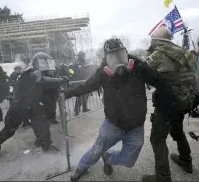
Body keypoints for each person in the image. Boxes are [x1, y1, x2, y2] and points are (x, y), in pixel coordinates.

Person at [64, 38, 175, 182]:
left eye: (119, 54)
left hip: (136, 126)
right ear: (106, 57)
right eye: (112, 56)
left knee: (129, 161)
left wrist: (169, 96)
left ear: (126, 52)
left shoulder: (138, 67)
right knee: (96, 150)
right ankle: (81, 168)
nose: (117, 60)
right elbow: (86, 86)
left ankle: (108, 157)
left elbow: (158, 80)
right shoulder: (103, 72)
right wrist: (67, 93)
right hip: (113, 124)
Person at [141, 26, 199, 182]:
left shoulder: (159, 53)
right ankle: (186, 162)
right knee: (177, 130)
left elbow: (144, 71)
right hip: (185, 100)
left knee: (157, 139)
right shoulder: (182, 52)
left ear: (157, 40)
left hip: (168, 102)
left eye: (153, 38)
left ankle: (163, 178)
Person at [0, 52, 69, 158]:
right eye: (43, 63)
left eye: (48, 63)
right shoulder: (31, 73)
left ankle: (45, 145)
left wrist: (61, 88)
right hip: (19, 107)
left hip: (32, 106)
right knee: (9, 130)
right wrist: (61, 80)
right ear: (36, 64)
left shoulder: (44, 75)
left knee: (42, 123)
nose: (47, 66)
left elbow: (51, 89)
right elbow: (43, 81)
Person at [73, 51, 91, 116]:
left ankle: (84, 108)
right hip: (79, 82)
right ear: (80, 56)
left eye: (84, 55)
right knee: (79, 97)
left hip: (85, 81)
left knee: (86, 96)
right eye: (83, 55)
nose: (84, 57)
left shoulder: (84, 62)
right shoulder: (77, 63)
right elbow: (75, 73)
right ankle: (76, 111)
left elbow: (86, 71)